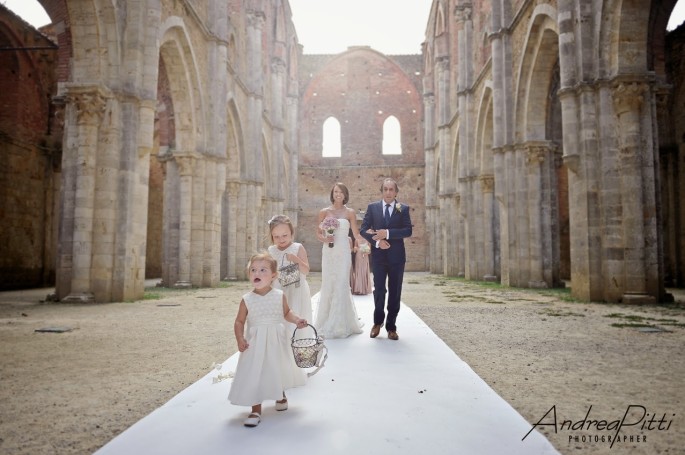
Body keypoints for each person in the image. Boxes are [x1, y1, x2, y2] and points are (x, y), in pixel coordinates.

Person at [227, 252, 308, 428]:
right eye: (253, 270)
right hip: (255, 344)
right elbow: (239, 321)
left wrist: (297, 320)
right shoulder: (247, 299)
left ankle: (280, 394)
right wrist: (240, 338)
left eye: (263, 270)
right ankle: (255, 408)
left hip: (276, 341)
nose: (257, 273)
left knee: (277, 367)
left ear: (273, 276)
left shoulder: (279, 295)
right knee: (255, 371)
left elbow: (287, 313)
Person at [360, 178, 412, 340]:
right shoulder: (372, 208)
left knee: (395, 291)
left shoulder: (403, 209)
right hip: (379, 257)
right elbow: (363, 230)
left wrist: (387, 234)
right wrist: (378, 241)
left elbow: (408, 231)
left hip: (397, 258)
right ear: (382, 191)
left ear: (396, 192)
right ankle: (377, 322)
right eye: (385, 189)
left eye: (391, 189)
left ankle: (391, 327)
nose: (388, 192)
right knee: (380, 290)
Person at [312, 182, 364, 338]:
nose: (338, 194)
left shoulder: (350, 213)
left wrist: (364, 243)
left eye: (341, 192)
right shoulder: (324, 212)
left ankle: (340, 324)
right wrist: (325, 239)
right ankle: (325, 320)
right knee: (328, 283)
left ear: (345, 194)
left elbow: (356, 233)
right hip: (329, 251)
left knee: (341, 283)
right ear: (332, 194)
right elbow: (318, 234)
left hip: (343, 250)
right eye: (335, 192)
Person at [267, 215, 314, 339]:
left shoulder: (297, 247)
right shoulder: (271, 250)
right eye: (276, 236)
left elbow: (306, 270)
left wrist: (295, 259)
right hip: (279, 289)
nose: (281, 239)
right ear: (271, 236)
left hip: (296, 289)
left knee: (295, 314)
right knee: (280, 318)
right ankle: (281, 345)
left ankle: (297, 342)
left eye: (284, 235)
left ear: (291, 233)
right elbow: (270, 271)